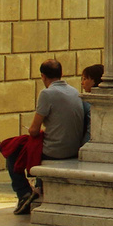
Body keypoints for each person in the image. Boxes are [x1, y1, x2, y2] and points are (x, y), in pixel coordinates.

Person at [9, 59, 87, 216]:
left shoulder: (47, 93)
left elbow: (34, 130)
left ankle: (23, 193)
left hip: (56, 150)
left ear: (42, 76)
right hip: (74, 147)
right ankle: (38, 188)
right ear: (61, 74)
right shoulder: (74, 91)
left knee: (12, 151)